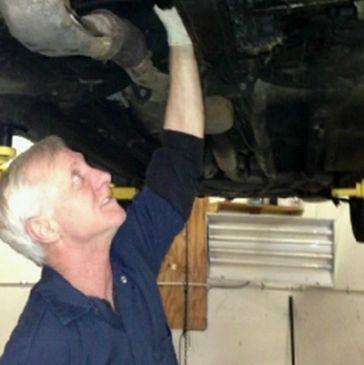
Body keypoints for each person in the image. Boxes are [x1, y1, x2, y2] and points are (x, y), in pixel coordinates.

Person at [0, 6, 204, 365]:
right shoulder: (41, 347)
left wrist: (180, 37)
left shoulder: (127, 256)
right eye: (76, 178)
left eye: (86, 167)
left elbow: (180, 160)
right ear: (44, 228)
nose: (104, 176)